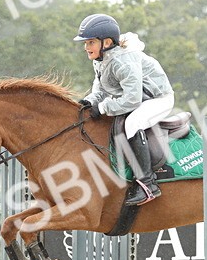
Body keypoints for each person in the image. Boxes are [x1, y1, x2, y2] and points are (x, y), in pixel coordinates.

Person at [74, 13, 175, 206]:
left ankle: (147, 184)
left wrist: (102, 107)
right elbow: (101, 89)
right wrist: (88, 102)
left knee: (132, 124)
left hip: (158, 99)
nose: (86, 47)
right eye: (86, 43)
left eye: (91, 42)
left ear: (107, 42)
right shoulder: (101, 60)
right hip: (139, 98)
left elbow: (132, 100)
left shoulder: (122, 61)